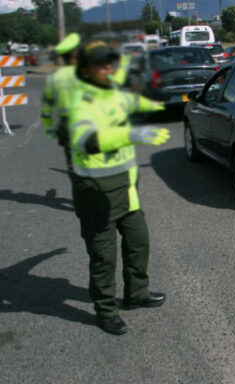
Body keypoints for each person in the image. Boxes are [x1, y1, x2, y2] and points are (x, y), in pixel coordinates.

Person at [68, 41, 171, 335]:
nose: (109, 68)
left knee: (139, 243)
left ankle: (137, 293)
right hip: (96, 195)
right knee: (104, 258)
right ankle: (105, 310)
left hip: (127, 192)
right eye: (103, 63)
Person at [41, 32, 81, 174]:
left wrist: (49, 129)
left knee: (74, 165)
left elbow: (46, 109)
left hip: (67, 127)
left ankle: (80, 193)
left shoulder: (54, 78)